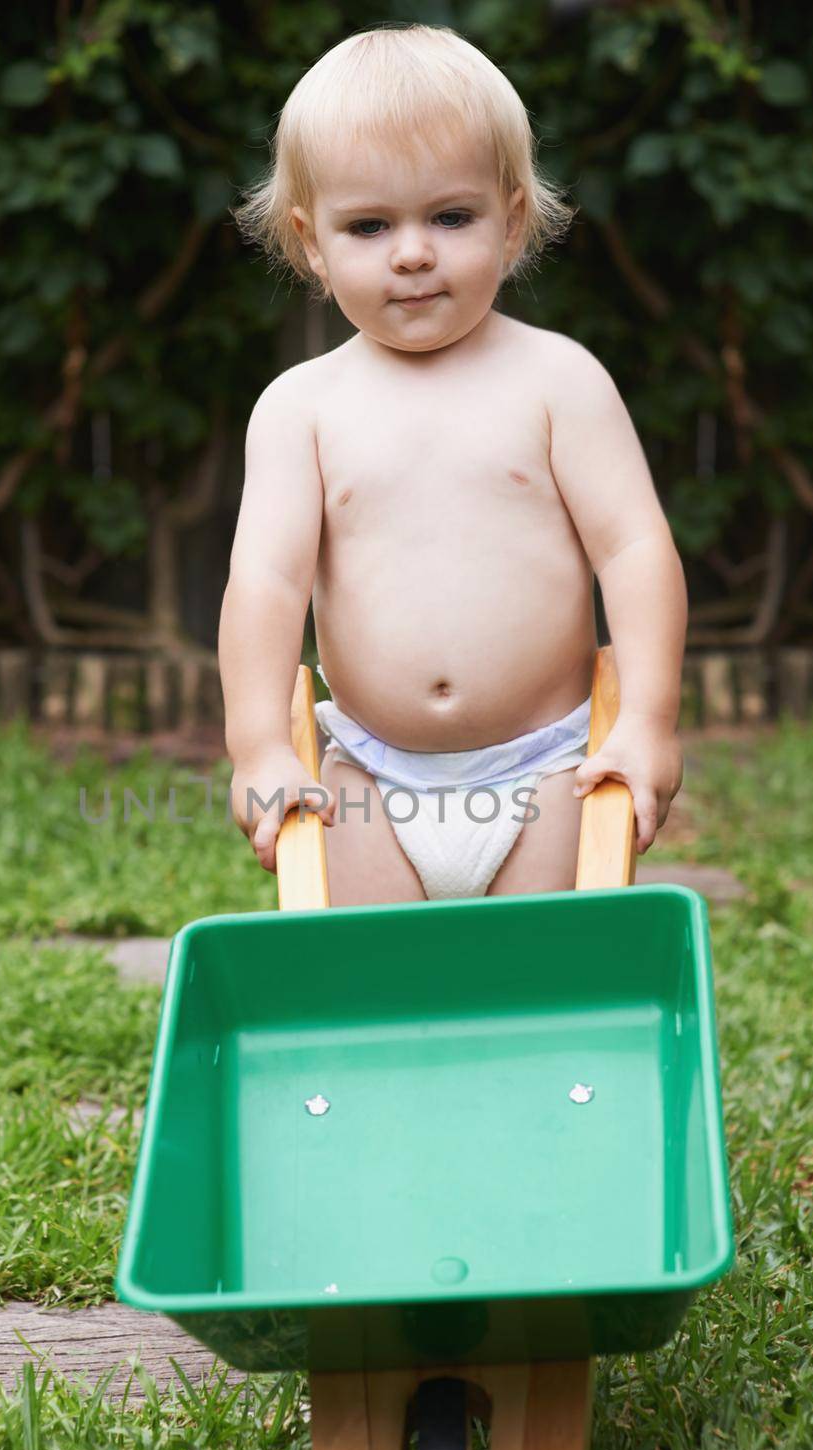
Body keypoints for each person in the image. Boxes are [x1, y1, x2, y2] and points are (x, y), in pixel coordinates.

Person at [218, 22, 685, 905]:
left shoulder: (559, 383)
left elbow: (633, 550)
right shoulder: (299, 410)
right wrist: (260, 747)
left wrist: (650, 720)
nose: (412, 252)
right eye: (369, 224)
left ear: (510, 223)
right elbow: (266, 585)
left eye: (450, 216)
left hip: (549, 767)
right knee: (371, 982)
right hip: (365, 775)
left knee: (536, 980)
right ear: (312, 242)